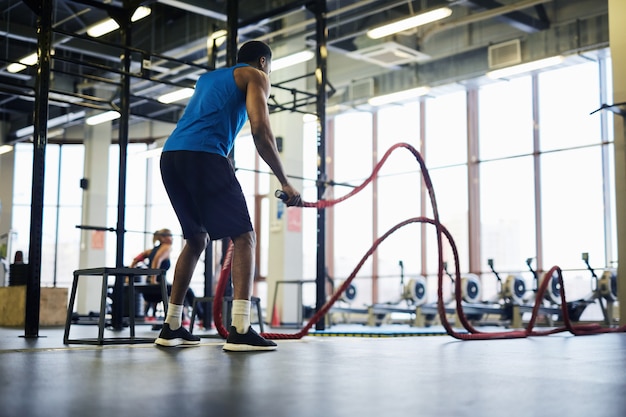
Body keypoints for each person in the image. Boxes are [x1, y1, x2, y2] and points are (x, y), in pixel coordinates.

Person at [156, 40, 302, 351]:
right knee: (244, 237)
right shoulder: (256, 75)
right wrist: (285, 181)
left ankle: (170, 326)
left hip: (171, 157)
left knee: (196, 239)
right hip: (204, 155)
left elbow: (210, 118)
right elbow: (260, 131)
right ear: (263, 62)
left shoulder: (209, 79)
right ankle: (240, 328)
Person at [131, 229, 203, 325]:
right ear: (162, 238)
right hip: (157, 288)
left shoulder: (151, 250)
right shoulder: (167, 247)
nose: (172, 238)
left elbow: (136, 259)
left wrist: (129, 275)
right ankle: (202, 318)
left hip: (149, 289)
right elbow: (157, 260)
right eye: (169, 236)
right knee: (186, 290)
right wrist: (154, 279)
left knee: (181, 291)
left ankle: (183, 318)